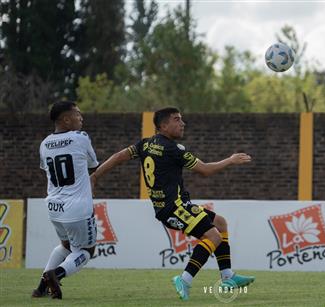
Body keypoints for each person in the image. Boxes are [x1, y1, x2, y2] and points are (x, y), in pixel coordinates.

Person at [90, 107, 255, 301]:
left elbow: (118, 157)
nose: (182, 123)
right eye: (177, 120)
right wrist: (230, 160)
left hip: (171, 207)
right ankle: (184, 279)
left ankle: (228, 276)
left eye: (182, 119)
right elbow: (205, 170)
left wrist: (95, 176)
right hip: (174, 208)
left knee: (220, 223)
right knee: (214, 236)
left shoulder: (144, 144)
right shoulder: (173, 150)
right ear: (163, 125)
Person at [32, 101, 99, 299]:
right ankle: (56, 274)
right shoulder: (81, 137)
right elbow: (93, 164)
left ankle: (41, 288)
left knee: (66, 246)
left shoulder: (44, 144)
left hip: (54, 206)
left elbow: (48, 169)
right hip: (77, 207)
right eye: (77, 114)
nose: (81, 118)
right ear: (66, 119)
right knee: (86, 250)